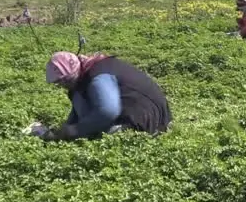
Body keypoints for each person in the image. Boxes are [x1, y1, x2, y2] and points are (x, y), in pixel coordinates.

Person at [39, 51, 172, 141]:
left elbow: (108, 111)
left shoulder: (99, 76)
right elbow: (77, 111)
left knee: (92, 133)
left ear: (70, 75)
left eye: (62, 81)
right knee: (77, 95)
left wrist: (75, 130)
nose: (62, 85)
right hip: (156, 119)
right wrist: (63, 131)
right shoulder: (85, 77)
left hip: (144, 122)